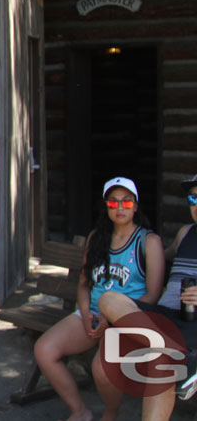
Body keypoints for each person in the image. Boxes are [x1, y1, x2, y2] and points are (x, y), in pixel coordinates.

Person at [33, 176, 164, 421]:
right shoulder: (97, 238)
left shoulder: (148, 241)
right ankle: (80, 411)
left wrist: (112, 320)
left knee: (101, 371)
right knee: (44, 349)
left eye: (126, 202)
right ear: (106, 207)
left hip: (128, 319)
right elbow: (84, 284)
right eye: (113, 203)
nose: (120, 207)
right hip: (92, 315)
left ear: (136, 206)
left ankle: (111, 413)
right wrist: (85, 314)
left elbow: (152, 295)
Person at [97, 173, 197, 420]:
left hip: (193, 323)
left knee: (160, 364)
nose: (196, 204)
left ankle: (171, 354)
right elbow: (160, 254)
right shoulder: (186, 232)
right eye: (193, 198)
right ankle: (174, 353)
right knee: (109, 299)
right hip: (164, 321)